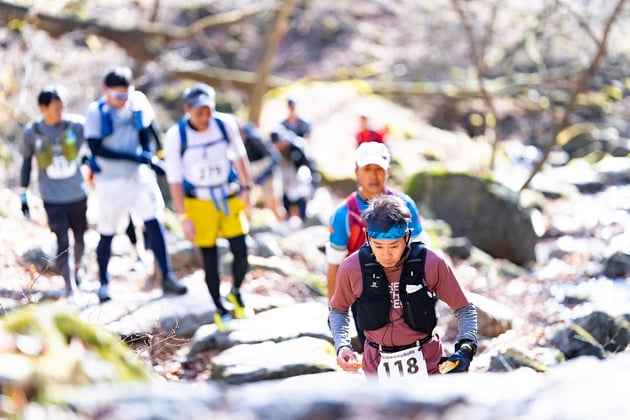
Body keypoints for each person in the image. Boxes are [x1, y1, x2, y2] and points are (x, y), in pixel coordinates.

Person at [329, 194, 478, 380]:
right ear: (367, 237)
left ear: (407, 237)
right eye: (378, 246)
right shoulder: (352, 268)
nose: (386, 255)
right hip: (376, 369)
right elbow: (338, 310)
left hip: (429, 364)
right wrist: (342, 345)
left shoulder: (431, 263)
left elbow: (464, 309)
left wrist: (466, 346)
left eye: (393, 246)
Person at [85, 65, 187, 302]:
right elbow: (96, 147)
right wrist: (133, 156)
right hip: (110, 180)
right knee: (107, 232)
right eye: (117, 95)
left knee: (154, 221)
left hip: (139, 176)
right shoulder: (96, 111)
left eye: (125, 94)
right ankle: (103, 282)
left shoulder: (137, 101)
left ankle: (167, 276)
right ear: (105, 90)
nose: (122, 100)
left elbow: (146, 134)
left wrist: (151, 158)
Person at [163, 83, 253, 332]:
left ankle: (235, 291)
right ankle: (219, 307)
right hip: (198, 202)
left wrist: (248, 190)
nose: (205, 118)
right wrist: (183, 216)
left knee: (241, 250)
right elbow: (174, 179)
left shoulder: (224, 124)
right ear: (187, 110)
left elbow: (239, 157)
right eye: (199, 112)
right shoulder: (176, 136)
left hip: (228, 195)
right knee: (210, 258)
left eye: (209, 111)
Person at [326, 141, 423, 349]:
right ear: (356, 172)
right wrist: (334, 311)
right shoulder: (344, 214)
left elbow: (421, 253)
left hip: (404, 288)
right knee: (375, 350)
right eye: (367, 169)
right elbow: (334, 265)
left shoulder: (406, 206)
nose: (373, 175)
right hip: (364, 295)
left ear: (388, 171)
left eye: (378, 169)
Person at [19, 86, 88, 295]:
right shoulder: (32, 133)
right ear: (43, 107)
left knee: (80, 238)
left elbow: (93, 146)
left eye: (62, 107)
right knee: (62, 240)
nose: (60, 111)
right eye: (56, 107)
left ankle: (77, 269)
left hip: (77, 192)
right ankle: (70, 287)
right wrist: (24, 194)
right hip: (52, 197)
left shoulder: (76, 126)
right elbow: (26, 162)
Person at [270, 126, 321, 224]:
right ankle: (288, 219)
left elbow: (306, 166)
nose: (277, 146)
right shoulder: (276, 150)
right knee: (286, 194)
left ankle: (303, 217)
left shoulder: (296, 146)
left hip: (301, 174)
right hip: (287, 172)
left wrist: (313, 182)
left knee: (301, 190)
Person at [241, 122, 285, 221]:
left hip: (269, 174)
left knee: (272, 205)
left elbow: (274, 158)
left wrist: (263, 176)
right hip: (253, 174)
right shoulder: (234, 144)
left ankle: (284, 225)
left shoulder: (254, 140)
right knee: (246, 202)